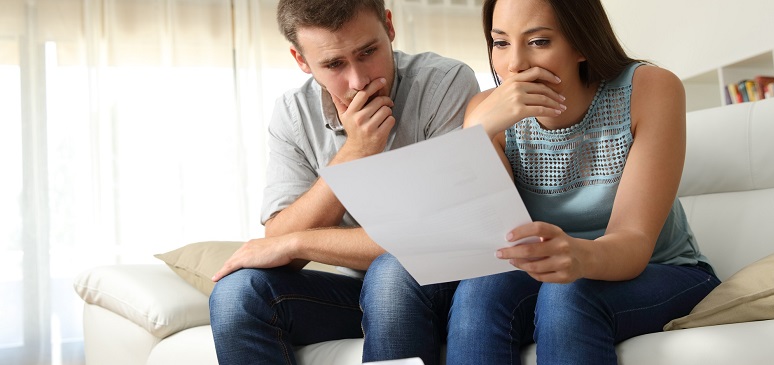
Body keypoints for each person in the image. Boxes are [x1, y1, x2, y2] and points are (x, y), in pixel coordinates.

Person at [362, 0, 721, 364]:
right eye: (500, 42)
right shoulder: (486, 112)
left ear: (582, 43)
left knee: (568, 294)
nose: (514, 64)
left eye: (538, 41)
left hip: (660, 270)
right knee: (479, 292)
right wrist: (476, 134)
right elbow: (487, 239)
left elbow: (635, 243)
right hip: (547, 274)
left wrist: (578, 255)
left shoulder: (650, 88)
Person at [207, 0, 480, 364]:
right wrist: (355, 152)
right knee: (237, 293)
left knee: (392, 271)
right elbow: (278, 245)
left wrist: (297, 242)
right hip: (361, 291)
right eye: (334, 64)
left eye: (368, 52)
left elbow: (436, 237)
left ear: (389, 26)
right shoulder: (293, 114)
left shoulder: (443, 84)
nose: (358, 79)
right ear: (301, 60)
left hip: (448, 284)